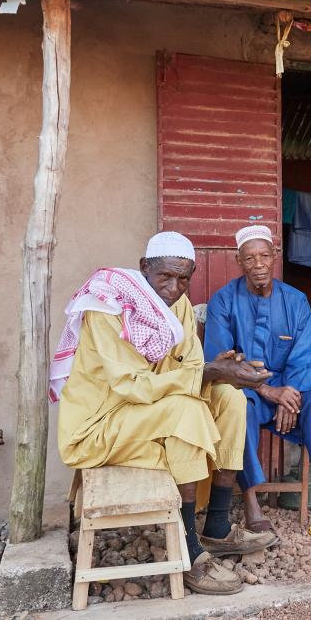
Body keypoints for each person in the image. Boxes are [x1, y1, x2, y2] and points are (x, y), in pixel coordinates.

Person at [54, 232, 277, 596]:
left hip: (148, 412)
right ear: (145, 268)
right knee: (185, 411)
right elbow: (134, 386)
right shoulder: (108, 308)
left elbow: (189, 366)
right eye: (165, 277)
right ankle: (188, 550)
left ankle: (217, 526)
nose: (174, 288)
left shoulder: (179, 306)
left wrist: (221, 370)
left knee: (230, 400)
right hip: (102, 424)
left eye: (184, 278)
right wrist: (207, 373)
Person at [203, 225, 311, 538]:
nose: (258, 264)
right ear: (240, 261)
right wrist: (266, 389)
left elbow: (303, 354)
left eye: (264, 256)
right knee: (239, 410)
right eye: (249, 258)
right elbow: (222, 362)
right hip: (249, 389)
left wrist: (290, 393)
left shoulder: (295, 301)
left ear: (275, 257)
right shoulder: (223, 302)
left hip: (290, 386)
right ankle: (252, 502)